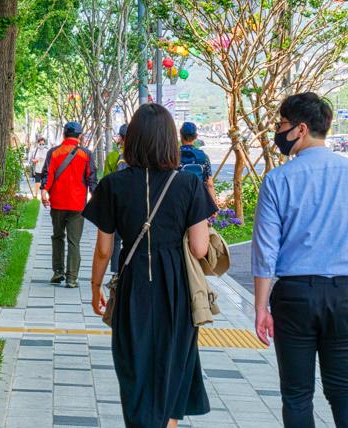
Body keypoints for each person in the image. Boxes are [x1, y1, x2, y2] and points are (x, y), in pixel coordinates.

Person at [85, 104, 216, 428]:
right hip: (177, 288)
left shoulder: (113, 184)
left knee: (136, 370)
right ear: (170, 141)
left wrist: (94, 286)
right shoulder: (188, 185)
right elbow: (200, 249)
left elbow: (104, 249)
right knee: (171, 369)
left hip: (133, 286)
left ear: (133, 140)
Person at [252, 93, 348, 428]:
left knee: (296, 394)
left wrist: (260, 308)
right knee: (343, 390)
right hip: (345, 294)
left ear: (300, 129)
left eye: (281, 124)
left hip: (294, 297)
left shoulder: (278, 180)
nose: (278, 131)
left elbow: (266, 251)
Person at [40, 122, 97, 288]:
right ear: (80, 136)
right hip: (77, 205)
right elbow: (91, 179)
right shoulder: (86, 154)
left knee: (57, 236)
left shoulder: (54, 152)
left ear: (64, 135)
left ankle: (58, 271)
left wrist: (44, 192)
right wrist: (97, 199)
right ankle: (72, 278)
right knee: (74, 241)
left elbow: (47, 174)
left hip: (57, 203)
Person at [103, 124, 129, 274]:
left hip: (117, 204)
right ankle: (127, 269)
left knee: (117, 239)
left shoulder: (113, 156)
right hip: (135, 204)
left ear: (120, 137)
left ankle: (116, 271)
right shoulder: (140, 156)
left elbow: (106, 181)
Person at [179, 122, 216, 200]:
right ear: (195, 137)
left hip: (179, 199)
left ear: (181, 135)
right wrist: (213, 205)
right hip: (198, 199)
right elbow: (210, 184)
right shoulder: (203, 157)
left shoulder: (173, 156)